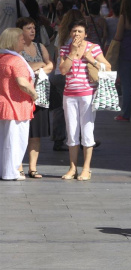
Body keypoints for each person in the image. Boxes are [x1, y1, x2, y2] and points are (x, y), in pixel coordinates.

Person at [58, 19, 110, 181]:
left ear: (86, 34)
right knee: (72, 131)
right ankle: (72, 167)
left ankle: (86, 168)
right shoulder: (65, 49)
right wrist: (72, 54)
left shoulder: (93, 48)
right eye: (74, 31)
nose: (76, 34)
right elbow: (63, 70)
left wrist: (91, 59)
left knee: (87, 131)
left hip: (88, 94)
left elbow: (107, 67)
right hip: (69, 95)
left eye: (80, 31)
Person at [17, 17, 53, 179]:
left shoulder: (40, 46)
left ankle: (33, 167)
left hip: (40, 94)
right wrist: (39, 65)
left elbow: (50, 64)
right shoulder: (16, 48)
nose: (32, 31)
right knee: (20, 132)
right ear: (20, 31)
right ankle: (18, 166)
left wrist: (41, 66)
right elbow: (23, 68)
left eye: (33, 28)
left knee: (35, 133)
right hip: (21, 96)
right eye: (28, 28)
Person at [0, 28, 37, 181]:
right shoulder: (16, 60)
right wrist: (34, 94)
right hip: (17, 106)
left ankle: (5, 170)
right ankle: (11, 172)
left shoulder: (2, 58)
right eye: (21, 38)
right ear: (13, 41)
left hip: (4, 104)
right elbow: (22, 83)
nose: (24, 41)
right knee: (15, 142)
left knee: (4, 141)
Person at [50, 9, 84, 152]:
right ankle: (82, 140)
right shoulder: (76, 36)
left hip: (58, 74)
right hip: (70, 74)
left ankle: (59, 139)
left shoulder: (60, 35)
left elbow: (57, 55)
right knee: (78, 107)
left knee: (59, 109)